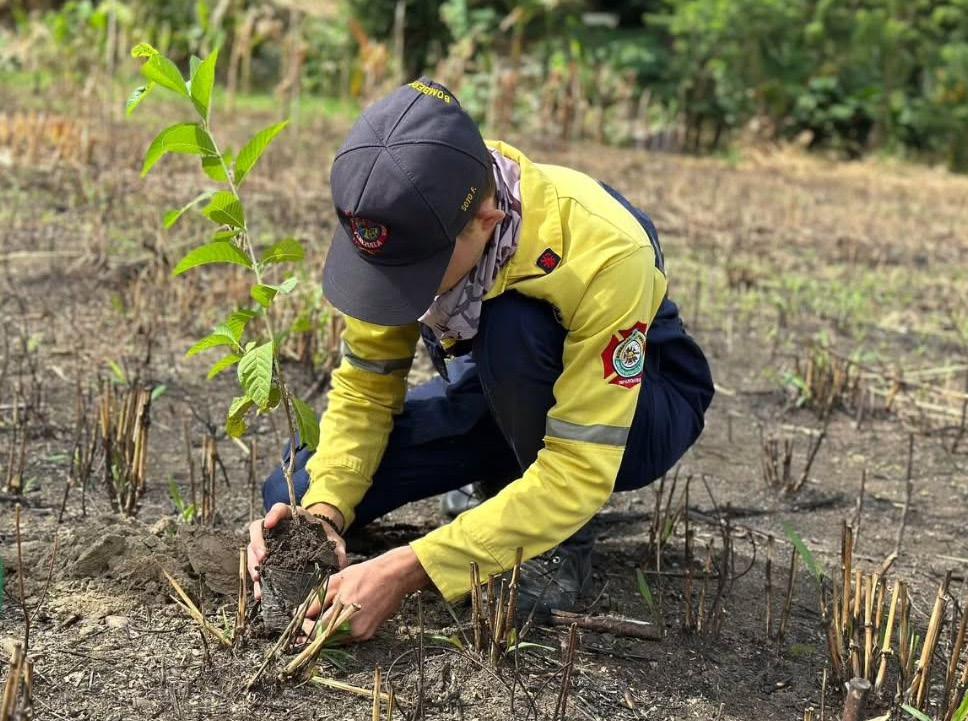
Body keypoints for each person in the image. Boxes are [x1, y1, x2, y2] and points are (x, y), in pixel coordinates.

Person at [247, 77, 714, 641]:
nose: (399, 291)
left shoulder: (605, 250)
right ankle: (505, 483)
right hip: (498, 395)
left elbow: (579, 471)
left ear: (488, 221)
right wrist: (322, 516)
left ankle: (554, 545)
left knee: (514, 326)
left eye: (416, 274)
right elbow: (366, 390)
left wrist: (410, 568)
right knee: (293, 493)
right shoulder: (400, 213)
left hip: (635, 412)